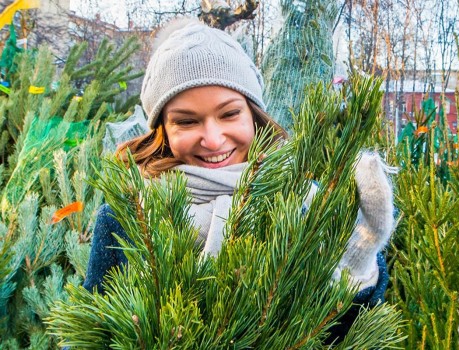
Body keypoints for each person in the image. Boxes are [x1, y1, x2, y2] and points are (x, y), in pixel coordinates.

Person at [83, 16, 395, 341]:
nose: (214, 139)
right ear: (162, 129)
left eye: (229, 113)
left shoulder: (302, 204)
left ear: (254, 115)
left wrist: (354, 272)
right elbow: (90, 333)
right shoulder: (127, 215)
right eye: (187, 122)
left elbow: (349, 336)